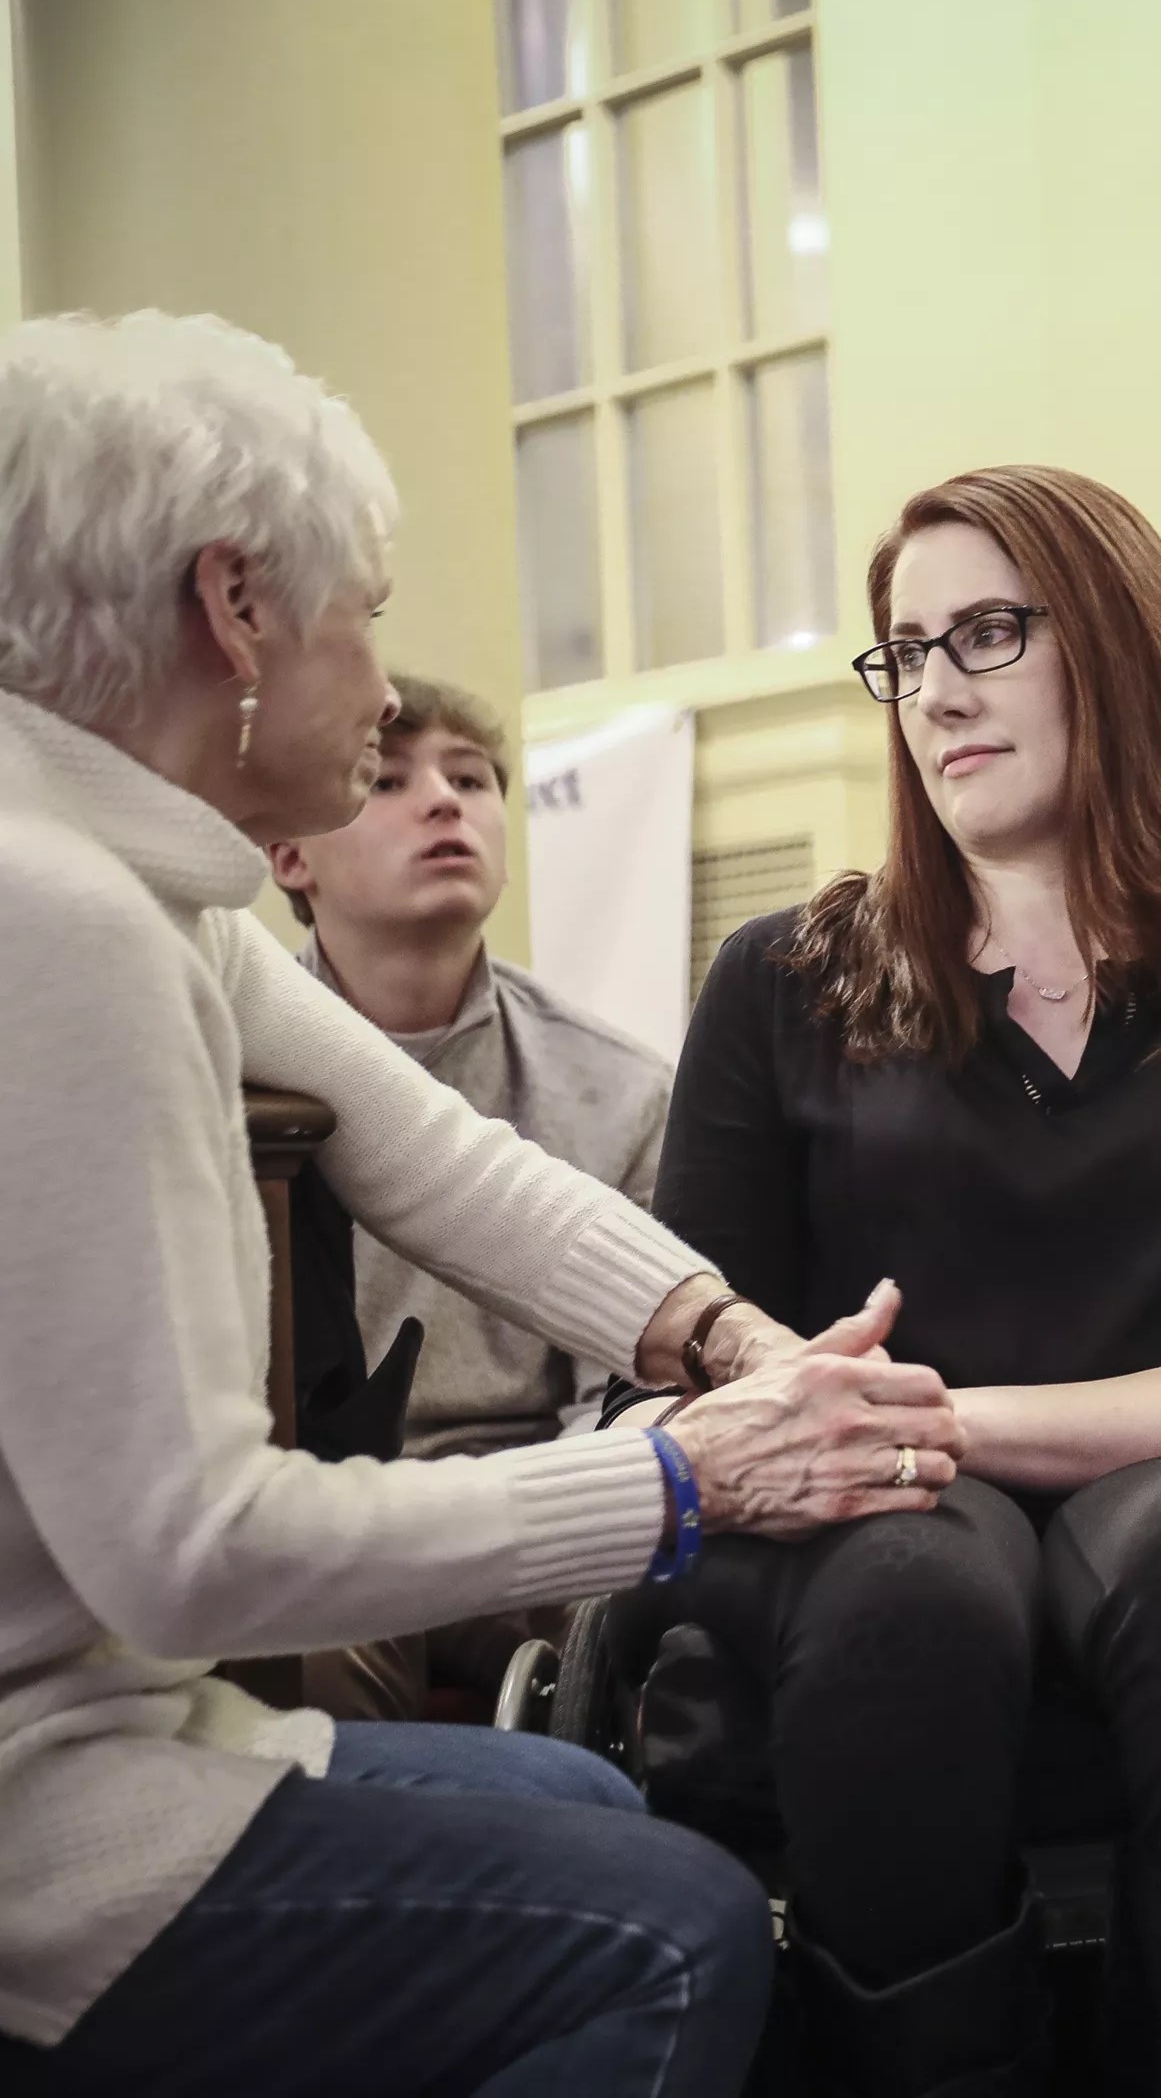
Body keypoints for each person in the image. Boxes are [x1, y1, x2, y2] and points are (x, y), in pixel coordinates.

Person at [0, 308, 967, 2096]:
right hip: (38, 1829)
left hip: (100, 1736)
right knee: (670, 1932)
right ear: (232, 606)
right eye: (361, 611)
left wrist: (727, 1339)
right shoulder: (54, 921)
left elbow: (436, 1153)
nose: (383, 694)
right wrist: (685, 1478)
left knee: (586, 1792)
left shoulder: (149, 891)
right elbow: (190, 1550)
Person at [617, 464, 1161, 2097]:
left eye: (987, 633)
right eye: (904, 649)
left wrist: (946, 1421)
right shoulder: (783, 982)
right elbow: (709, 1355)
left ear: (1119, 648)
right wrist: (887, 1454)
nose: (935, 689)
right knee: (907, 1591)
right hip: (866, 1522)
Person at [266, 674, 673, 1720]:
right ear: (289, 856)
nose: (445, 802)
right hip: (324, 1518)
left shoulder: (619, 1085)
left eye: (471, 778)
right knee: (318, 1632)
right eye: (387, 779)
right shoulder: (234, 1070)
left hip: (532, 1510)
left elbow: (616, 1397)